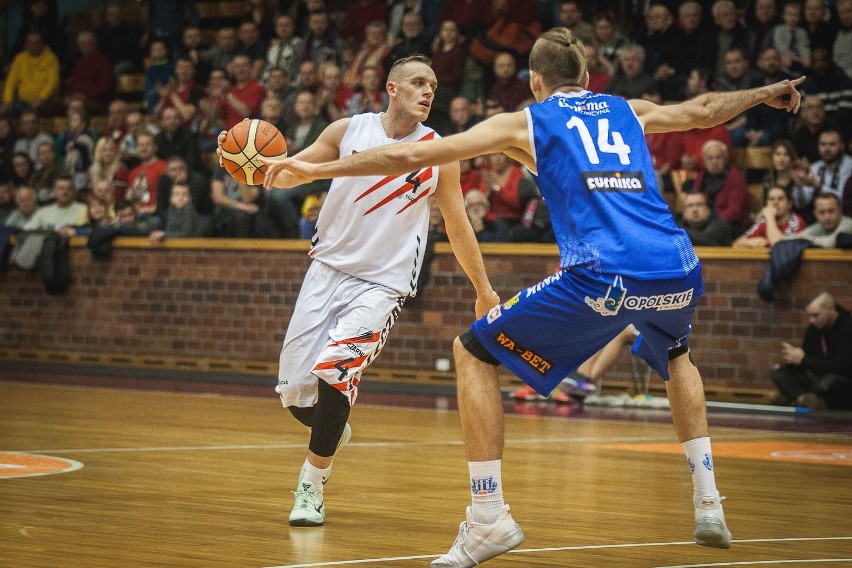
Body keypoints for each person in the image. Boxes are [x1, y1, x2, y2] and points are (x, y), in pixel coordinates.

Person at [262, 28, 805, 565]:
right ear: (589, 77)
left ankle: (487, 518)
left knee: (472, 352)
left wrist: (317, 169)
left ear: (535, 81)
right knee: (677, 354)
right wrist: (764, 92)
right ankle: (709, 504)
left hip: (600, 270)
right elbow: (705, 108)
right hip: (677, 265)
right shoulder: (625, 108)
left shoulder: (524, 120)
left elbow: (408, 159)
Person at [220, 54, 498, 528]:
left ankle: (311, 485)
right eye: (417, 82)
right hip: (326, 270)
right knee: (293, 394)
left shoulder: (438, 151)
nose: (428, 91)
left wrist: (484, 290)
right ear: (391, 89)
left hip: (383, 283)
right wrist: (249, 160)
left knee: (335, 371)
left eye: (432, 85)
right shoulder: (346, 130)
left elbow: (457, 223)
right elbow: (290, 172)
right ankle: (332, 424)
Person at [770, 291, 852, 410]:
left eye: (816, 315)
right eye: (810, 315)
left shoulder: (848, 329)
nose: (812, 320)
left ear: (831, 310)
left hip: (840, 380)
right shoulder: (813, 329)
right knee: (778, 373)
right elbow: (805, 362)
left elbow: (840, 367)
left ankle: (795, 397)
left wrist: (804, 360)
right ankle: (805, 399)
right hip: (816, 378)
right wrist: (793, 362)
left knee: (830, 382)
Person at [733, 186, 806, 248]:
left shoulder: (796, 222)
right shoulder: (764, 221)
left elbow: (779, 247)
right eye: (771, 199)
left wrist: (769, 216)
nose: (775, 203)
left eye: (780, 199)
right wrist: (751, 243)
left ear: (789, 204)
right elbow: (736, 244)